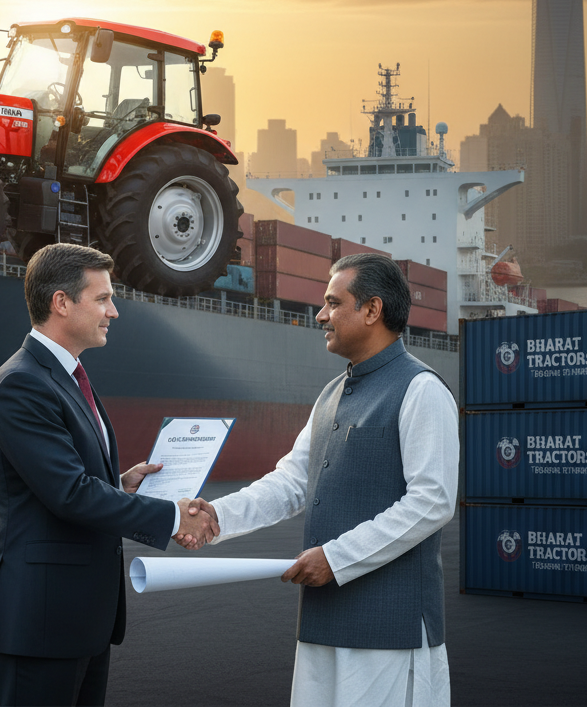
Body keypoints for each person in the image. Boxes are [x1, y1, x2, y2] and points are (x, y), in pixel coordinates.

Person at [185, 253, 458, 707]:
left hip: (391, 630)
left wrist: (335, 558)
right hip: (323, 625)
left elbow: (433, 501)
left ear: (372, 310)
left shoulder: (422, 390)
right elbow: (291, 482)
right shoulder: (331, 394)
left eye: (333, 302)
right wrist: (218, 516)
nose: (321, 314)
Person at [0, 242, 219, 707]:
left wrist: (119, 483)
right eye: (103, 298)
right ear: (61, 303)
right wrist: (172, 516)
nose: (115, 311)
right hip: (40, 620)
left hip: (79, 618)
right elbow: (68, 493)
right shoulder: (21, 383)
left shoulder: (66, 376)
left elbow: (70, 482)